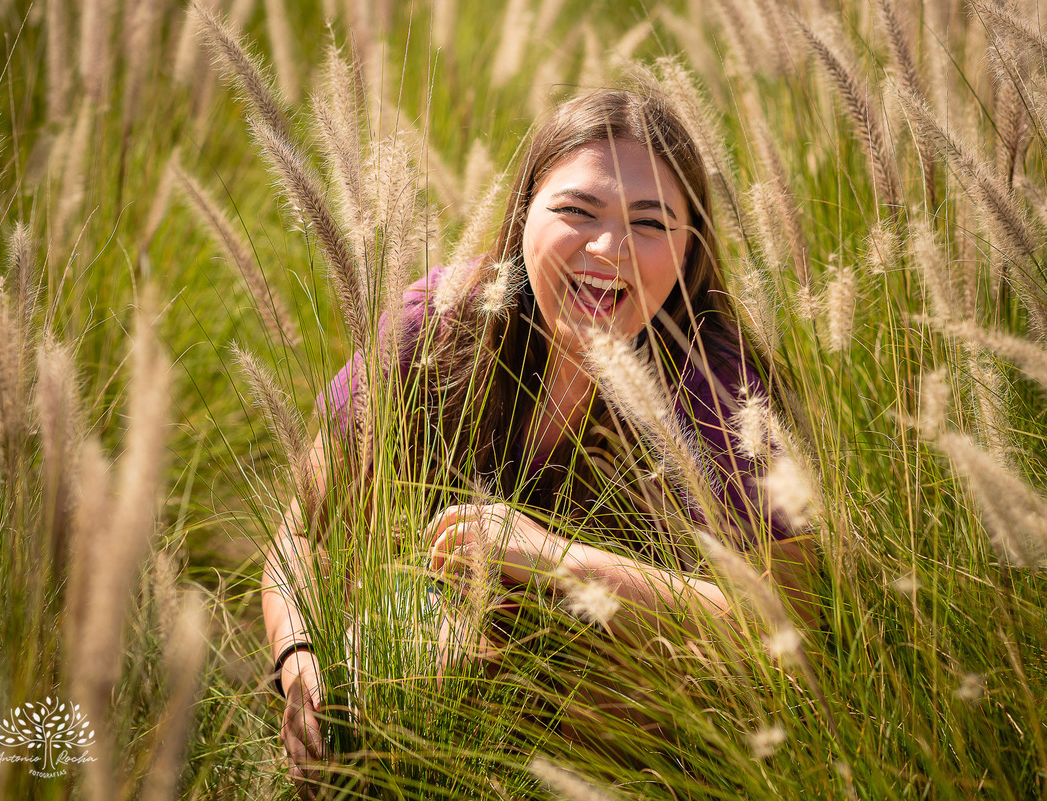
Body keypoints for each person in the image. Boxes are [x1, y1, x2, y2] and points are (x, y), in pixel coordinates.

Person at [261, 85, 818, 796]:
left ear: (690, 248)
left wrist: (563, 559)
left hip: (627, 740)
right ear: (524, 211)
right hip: (424, 695)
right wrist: (300, 652)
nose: (609, 248)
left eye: (651, 223)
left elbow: (785, 621)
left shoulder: (724, 394)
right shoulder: (435, 327)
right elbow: (302, 533)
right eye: (577, 211)